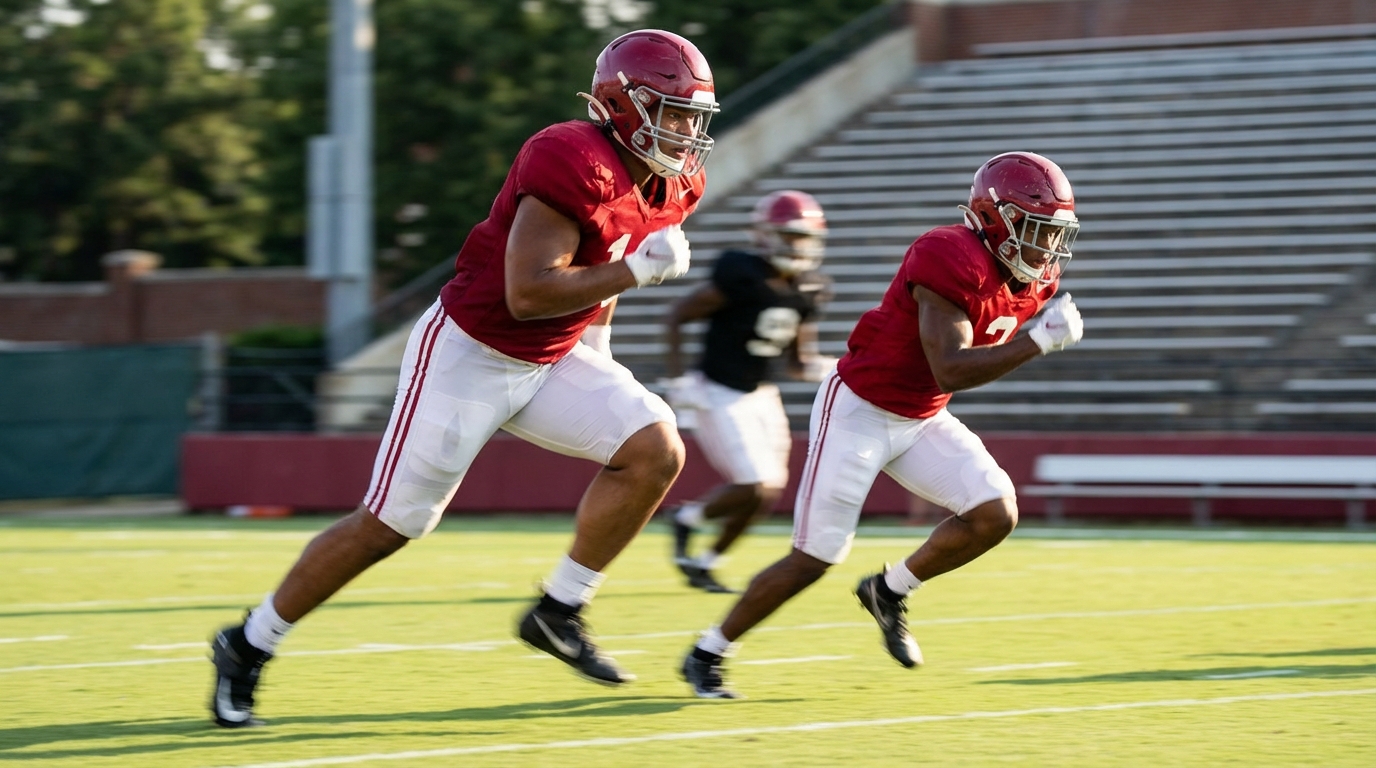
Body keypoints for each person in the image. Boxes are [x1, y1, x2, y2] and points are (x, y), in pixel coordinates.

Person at [208, 29, 721, 727]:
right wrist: (635, 271)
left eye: (694, 116)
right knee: (391, 524)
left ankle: (559, 609)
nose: (686, 132)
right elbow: (528, 293)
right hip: (472, 353)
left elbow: (602, 272)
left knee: (655, 448)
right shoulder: (570, 155)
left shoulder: (678, 180)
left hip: (556, 356)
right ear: (620, 103)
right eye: (673, 112)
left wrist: (599, 346)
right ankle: (248, 644)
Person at [678, 151, 1084, 698]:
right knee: (815, 555)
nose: (1047, 246)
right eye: (1036, 229)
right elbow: (951, 366)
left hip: (922, 415)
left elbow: (946, 376)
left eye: (1055, 232)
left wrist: (1032, 337)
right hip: (860, 410)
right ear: (996, 220)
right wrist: (1036, 342)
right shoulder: (948, 254)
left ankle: (888, 591)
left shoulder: (1036, 277)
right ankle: (709, 650)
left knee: (994, 511)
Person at [660, 190, 834, 594]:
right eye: (790, 236)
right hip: (718, 388)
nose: (797, 246)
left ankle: (706, 558)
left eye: (804, 238)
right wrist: (677, 380)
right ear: (766, 235)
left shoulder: (809, 289)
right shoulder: (741, 274)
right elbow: (676, 316)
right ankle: (688, 518)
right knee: (754, 483)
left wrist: (836, 367)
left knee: (768, 491)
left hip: (760, 392)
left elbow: (797, 361)